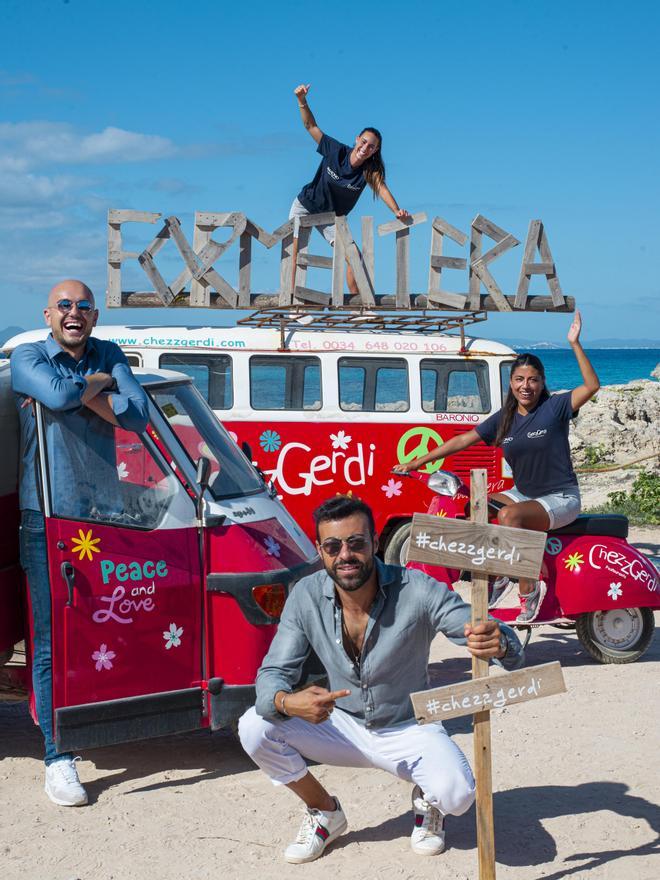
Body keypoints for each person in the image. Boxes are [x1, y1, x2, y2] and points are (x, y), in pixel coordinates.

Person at [238, 495, 523, 864]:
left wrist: (498, 642)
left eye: (356, 543)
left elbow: (476, 625)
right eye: (332, 546)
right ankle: (325, 812)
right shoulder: (305, 596)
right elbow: (273, 673)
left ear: (375, 542)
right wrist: (286, 702)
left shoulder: (416, 588)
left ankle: (427, 802)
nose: (346, 555)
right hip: (339, 724)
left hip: (408, 725)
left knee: (458, 795)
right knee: (254, 727)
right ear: (320, 551)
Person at [11, 279, 149, 806]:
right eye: (65, 306)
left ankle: (89, 727)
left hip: (102, 515)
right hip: (47, 517)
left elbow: (137, 416)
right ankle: (57, 756)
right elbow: (59, 394)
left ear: (95, 315)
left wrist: (82, 390)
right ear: (49, 313)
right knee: (51, 641)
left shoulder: (110, 350)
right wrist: (99, 387)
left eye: (84, 306)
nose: (74, 313)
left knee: (99, 627)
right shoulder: (28, 355)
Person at [394, 310, 600, 623]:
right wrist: (417, 461)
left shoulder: (555, 407)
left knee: (508, 516)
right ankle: (498, 575)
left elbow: (592, 385)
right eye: (519, 379)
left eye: (532, 380)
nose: (525, 386)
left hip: (560, 498)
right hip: (525, 494)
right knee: (476, 510)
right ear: (511, 383)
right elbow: (462, 440)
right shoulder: (504, 418)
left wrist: (574, 343)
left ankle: (528, 591)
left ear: (542, 383)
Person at [290, 83, 410, 295]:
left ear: (375, 151)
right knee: (297, 255)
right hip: (306, 206)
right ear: (357, 139)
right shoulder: (335, 151)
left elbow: (381, 188)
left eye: (371, 146)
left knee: (354, 256)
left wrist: (396, 211)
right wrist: (302, 100)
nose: (365, 148)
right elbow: (311, 126)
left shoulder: (368, 172)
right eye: (363, 142)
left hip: (331, 217)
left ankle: (359, 307)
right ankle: (293, 304)